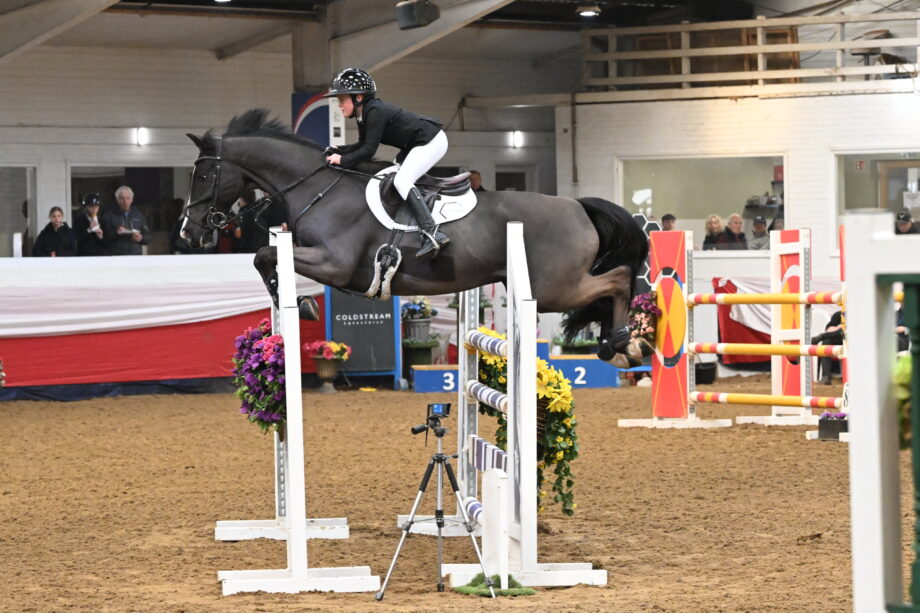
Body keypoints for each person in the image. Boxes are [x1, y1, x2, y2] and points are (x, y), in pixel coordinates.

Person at [322, 67, 449, 260]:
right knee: (391, 174)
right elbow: (362, 144)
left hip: (431, 140)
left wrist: (343, 160)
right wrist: (339, 149)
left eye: (342, 100)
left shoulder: (374, 111)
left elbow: (368, 151)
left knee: (402, 180)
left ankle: (432, 232)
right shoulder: (363, 113)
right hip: (413, 145)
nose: (339, 105)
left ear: (358, 97)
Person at [233, 187, 286, 253]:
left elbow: (240, 234)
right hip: (262, 242)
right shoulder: (260, 205)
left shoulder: (258, 207)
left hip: (263, 242)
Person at [101, 185, 149, 255]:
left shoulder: (138, 215)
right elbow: (104, 238)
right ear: (117, 200)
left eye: (128, 198)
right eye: (122, 198)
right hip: (117, 257)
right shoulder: (108, 215)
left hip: (135, 256)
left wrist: (141, 238)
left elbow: (148, 236)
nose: (125, 201)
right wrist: (116, 233)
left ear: (132, 199)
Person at [812, 311, 843, 385]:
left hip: (851, 342)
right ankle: (826, 376)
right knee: (827, 341)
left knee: (843, 331)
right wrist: (839, 328)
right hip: (838, 340)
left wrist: (840, 328)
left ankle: (821, 336)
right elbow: (829, 330)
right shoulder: (839, 314)